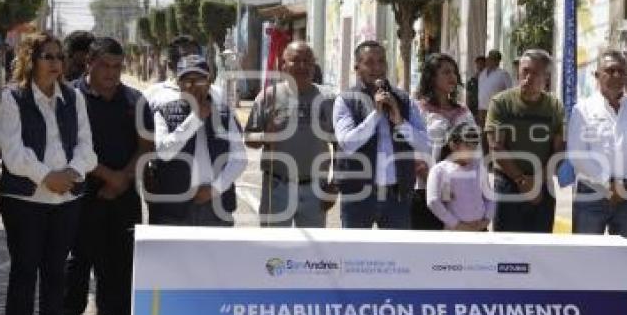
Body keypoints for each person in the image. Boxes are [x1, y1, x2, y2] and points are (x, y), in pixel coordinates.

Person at [0, 33, 98, 315]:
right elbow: (14, 154)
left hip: (66, 199)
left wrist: (70, 174)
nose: (56, 63)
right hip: (24, 200)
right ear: (32, 60)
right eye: (48, 56)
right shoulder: (14, 98)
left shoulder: (74, 98)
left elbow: (87, 148)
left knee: (56, 271)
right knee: (25, 269)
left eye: (59, 57)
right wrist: (47, 177)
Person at [60, 37, 150, 315]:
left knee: (123, 260)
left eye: (117, 67)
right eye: (105, 66)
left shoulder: (135, 100)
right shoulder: (69, 97)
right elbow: (66, 148)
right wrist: (107, 176)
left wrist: (121, 180)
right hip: (80, 195)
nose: (112, 73)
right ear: (89, 64)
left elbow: (145, 148)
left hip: (123, 196)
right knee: (76, 261)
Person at [333, 41, 430, 229]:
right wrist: (376, 115)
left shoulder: (402, 99)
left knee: (398, 255)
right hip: (358, 197)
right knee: (355, 255)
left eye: (381, 61)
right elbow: (348, 144)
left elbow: (426, 146)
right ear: (357, 67)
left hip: (397, 197)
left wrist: (400, 122)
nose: (376, 67)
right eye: (369, 62)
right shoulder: (345, 100)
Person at [245, 42, 336, 227]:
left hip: (315, 190)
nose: (302, 66)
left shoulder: (328, 99)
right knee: (275, 251)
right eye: (295, 60)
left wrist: (334, 185)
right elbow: (249, 138)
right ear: (283, 65)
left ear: (314, 66)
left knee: (312, 252)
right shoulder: (268, 96)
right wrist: (265, 137)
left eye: (307, 61)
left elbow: (340, 145)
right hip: (277, 188)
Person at [150, 55, 247, 226]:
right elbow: (164, 153)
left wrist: (214, 190)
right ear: (179, 84)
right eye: (187, 81)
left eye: (199, 80)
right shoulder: (164, 113)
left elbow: (239, 159)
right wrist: (194, 119)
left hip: (216, 206)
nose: (193, 86)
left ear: (209, 82)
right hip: (174, 209)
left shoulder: (224, 115)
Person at [568, 50, 627, 242]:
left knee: (625, 258)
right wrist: (608, 183)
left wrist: (626, 183)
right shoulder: (582, 109)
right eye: (610, 70)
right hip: (591, 193)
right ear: (597, 75)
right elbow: (577, 154)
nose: (616, 75)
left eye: (621, 71)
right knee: (587, 255)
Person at [486, 48, 564, 233]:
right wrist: (522, 181)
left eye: (534, 73)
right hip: (508, 183)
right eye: (524, 71)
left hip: (543, 184)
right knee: (506, 248)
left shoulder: (554, 107)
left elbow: (559, 150)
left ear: (546, 77)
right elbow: (496, 147)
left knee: (539, 248)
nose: (527, 77)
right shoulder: (501, 103)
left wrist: (537, 182)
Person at [413, 53, 475, 230]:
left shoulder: (464, 112)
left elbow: (474, 150)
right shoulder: (418, 110)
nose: (452, 77)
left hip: (461, 192)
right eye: (446, 72)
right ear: (432, 77)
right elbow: (414, 152)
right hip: (425, 192)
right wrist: (438, 186)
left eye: (454, 72)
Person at [427, 122, 493, 231]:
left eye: (474, 146)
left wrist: (486, 220)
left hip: (480, 229)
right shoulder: (440, 170)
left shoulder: (478, 168)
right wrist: (456, 224)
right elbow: (433, 201)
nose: (471, 150)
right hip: (454, 232)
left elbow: (489, 197)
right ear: (453, 145)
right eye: (467, 145)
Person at [477, 50, 513, 127]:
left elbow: (510, 92)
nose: (490, 61)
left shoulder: (503, 74)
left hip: (496, 108)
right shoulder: (482, 74)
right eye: (489, 59)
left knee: (493, 131)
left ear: (498, 61)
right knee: (482, 131)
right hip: (482, 108)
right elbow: (481, 90)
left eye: (494, 59)